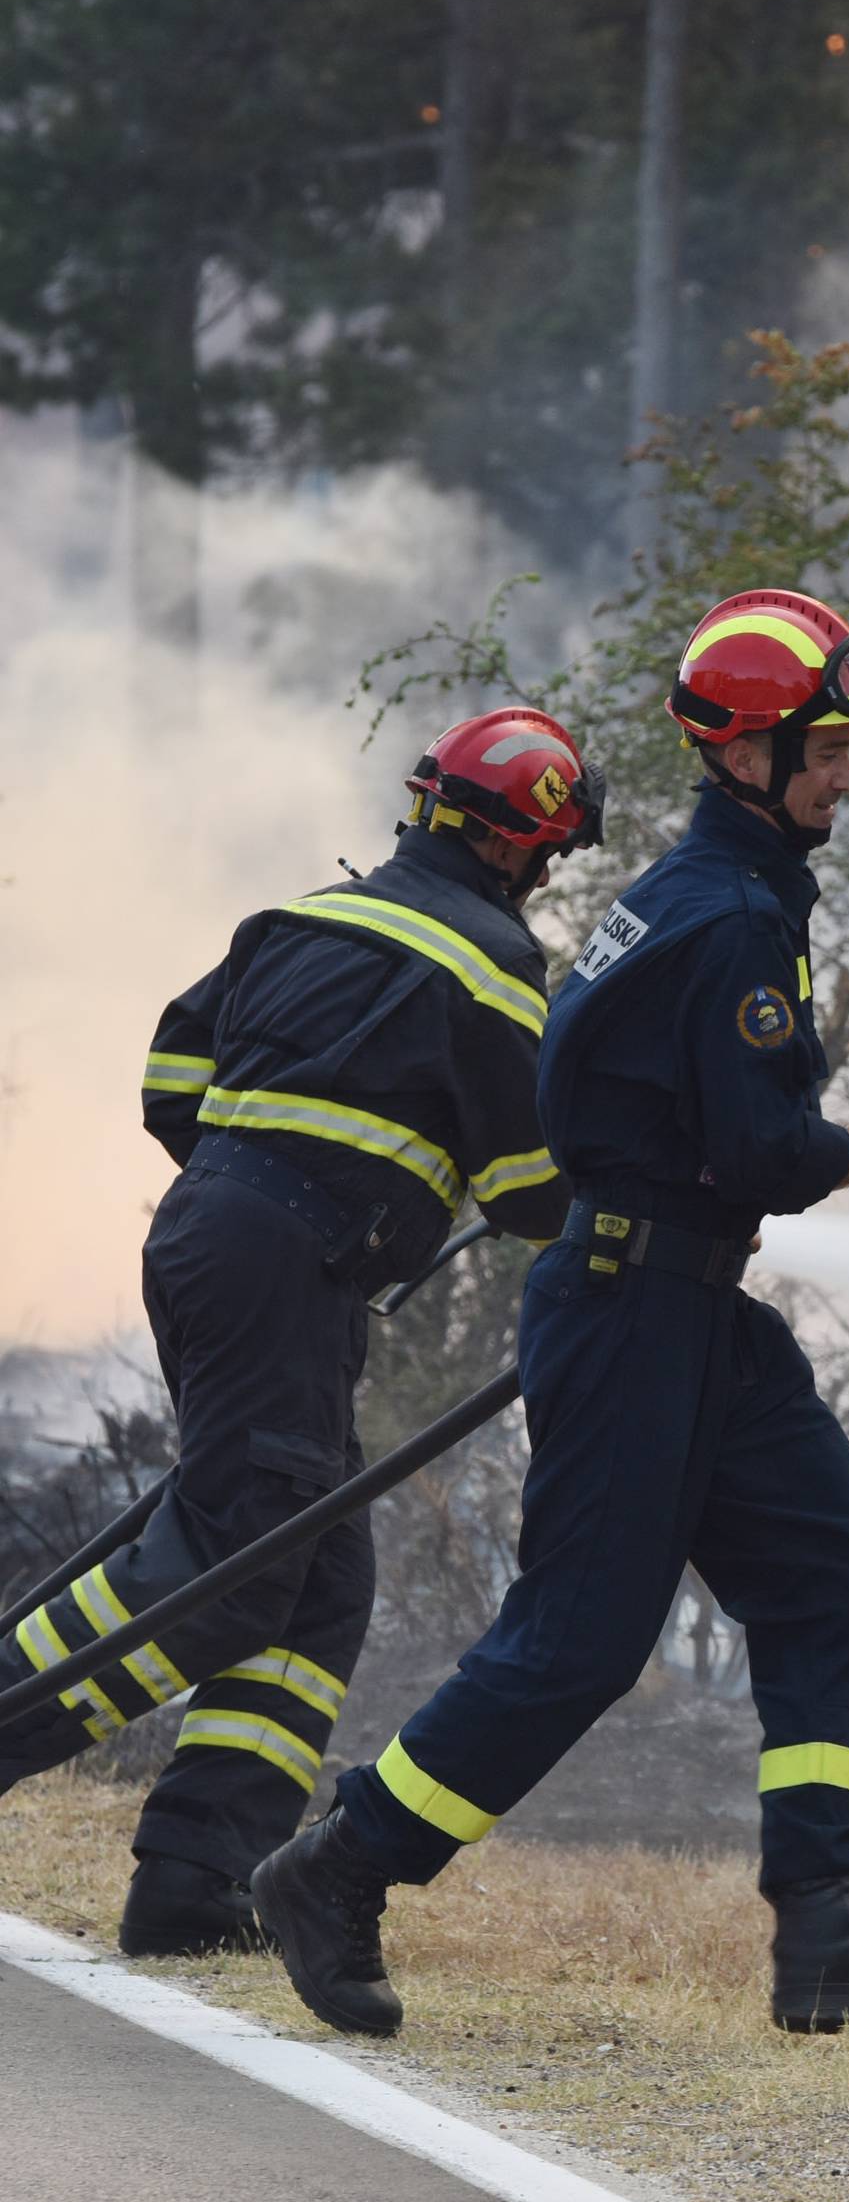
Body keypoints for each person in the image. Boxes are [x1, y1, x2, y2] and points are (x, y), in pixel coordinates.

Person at [254, 588, 849, 2040]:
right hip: (631, 1312)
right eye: (831, 746)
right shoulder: (727, 919)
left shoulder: (715, 893)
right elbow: (761, 1156)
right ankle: (341, 1863)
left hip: (683, 1311)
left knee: (841, 1575)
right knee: (580, 1640)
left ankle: (827, 1926)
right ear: (750, 751)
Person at [0, 709, 602, 1959]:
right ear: (525, 849)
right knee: (234, 1565)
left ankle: (195, 1876)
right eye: (550, 855)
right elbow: (532, 1191)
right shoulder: (494, 963)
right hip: (287, 1263)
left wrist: (260, 1169)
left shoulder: (296, 921)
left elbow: (172, 1078)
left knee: (319, 1582)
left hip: (223, 1237)